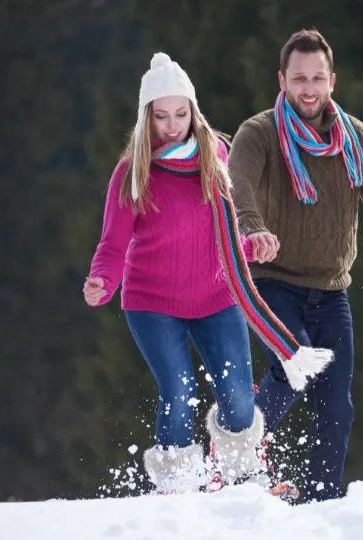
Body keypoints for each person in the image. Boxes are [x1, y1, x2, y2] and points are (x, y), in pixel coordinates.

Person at [83, 52, 333, 495]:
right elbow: (113, 244)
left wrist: (252, 243)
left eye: (181, 113)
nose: (173, 124)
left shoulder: (217, 155)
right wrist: (103, 279)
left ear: (193, 111)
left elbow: (231, 224)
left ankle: (243, 479)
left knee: (238, 398)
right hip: (152, 302)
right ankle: (177, 486)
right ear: (147, 118)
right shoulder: (133, 173)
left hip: (217, 297)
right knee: (178, 391)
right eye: (162, 116)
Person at [227, 29, 363, 503]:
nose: (307, 88)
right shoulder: (259, 133)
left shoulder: (358, 141)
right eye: (298, 78)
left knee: (336, 408)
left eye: (316, 78)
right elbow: (238, 185)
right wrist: (252, 229)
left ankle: (320, 505)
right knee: (296, 365)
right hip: (271, 283)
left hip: (332, 291)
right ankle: (233, 452)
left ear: (332, 81)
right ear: (282, 80)